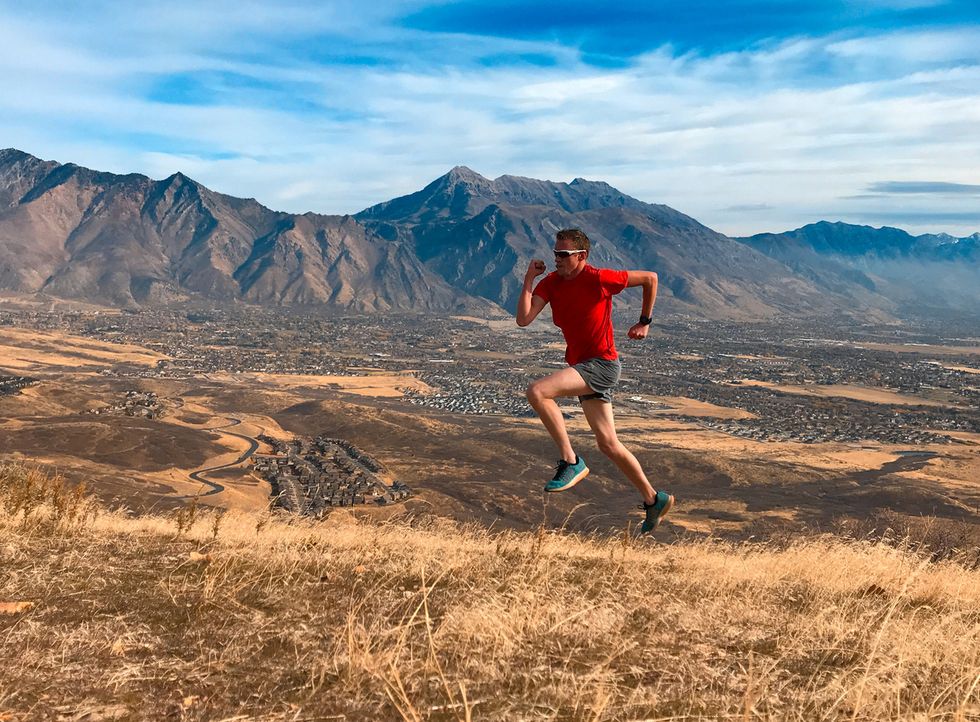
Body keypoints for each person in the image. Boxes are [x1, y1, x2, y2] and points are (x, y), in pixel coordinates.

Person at [516, 228, 674, 534]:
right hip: (585, 366)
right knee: (609, 444)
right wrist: (528, 280)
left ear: (581, 257)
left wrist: (644, 322)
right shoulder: (551, 283)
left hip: (601, 365)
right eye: (555, 254)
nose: (557, 260)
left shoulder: (598, 278)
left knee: (537, 392)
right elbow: (523, 319)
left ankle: (570, 460)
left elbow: (651, 278)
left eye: (563, 255)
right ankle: (654, 499)